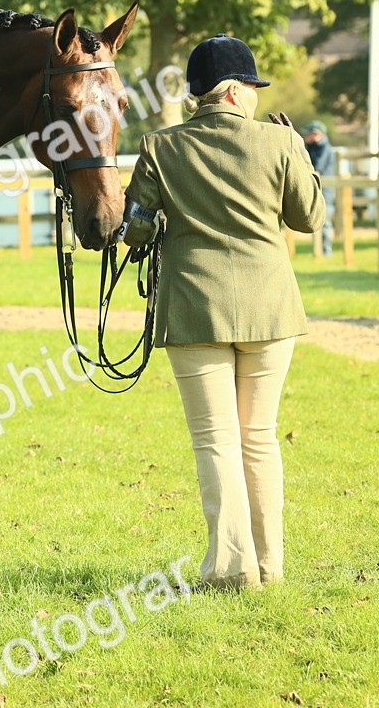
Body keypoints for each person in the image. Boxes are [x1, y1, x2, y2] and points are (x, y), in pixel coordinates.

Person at [120, 34, 325, 591]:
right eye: (252, 88)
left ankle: (232, 571)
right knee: (258, 436)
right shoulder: (280, 144)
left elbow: (134, 229)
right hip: (270, 308)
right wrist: (299, 157)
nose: (257, 98)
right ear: (232, 92)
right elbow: (308, 218)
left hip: (193, 307)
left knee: (215, 440)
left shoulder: (160, 148)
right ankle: (270, 565)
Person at [302, 121, 336, 256]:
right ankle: (318, 250)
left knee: (325, 221)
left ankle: (327, 251)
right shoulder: (312, 147)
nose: (307, 137)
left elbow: (317, 168)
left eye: (309, 134)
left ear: (317, 134)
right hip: (316, 187)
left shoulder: (324, 149)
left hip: (325, 190)